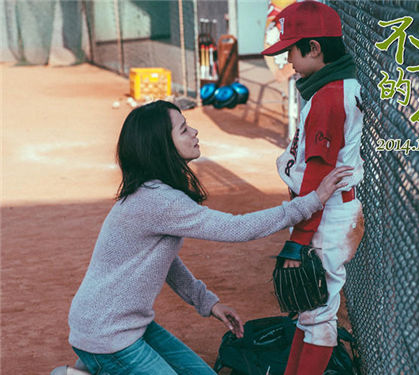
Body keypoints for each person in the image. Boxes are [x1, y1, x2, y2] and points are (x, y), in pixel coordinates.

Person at [52, 100, 352, 375]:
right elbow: (237, 229)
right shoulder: (157, 200)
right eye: (183, 129)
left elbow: (164, 262)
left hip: (125, 326)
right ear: (161, 146)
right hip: (108, 335)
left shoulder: (154, 193)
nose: (194, 131)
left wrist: (208, 302)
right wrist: (313, 200)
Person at [262, 2, 365, 375]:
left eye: (291, 48)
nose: (287, 58)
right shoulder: (328, 87)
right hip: (326, 209)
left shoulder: (329, 98)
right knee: (309, 312)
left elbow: (316, 179)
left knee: (318, 314)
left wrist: (298, 241)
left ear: (315, 48)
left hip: (325, 213)